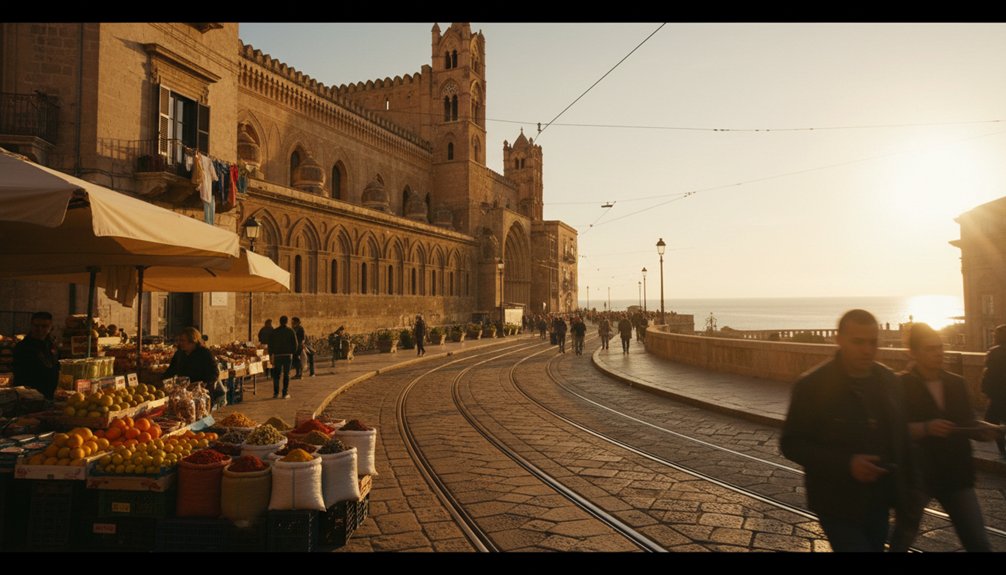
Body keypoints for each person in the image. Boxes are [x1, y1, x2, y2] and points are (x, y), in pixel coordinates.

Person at [780, 309, 917, 552]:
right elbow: (791, 443)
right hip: (835, 502)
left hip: (879, 498)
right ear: (839, 339)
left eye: (873, 342)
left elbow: (900, 438)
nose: (867, 350)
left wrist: (906, 493)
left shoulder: (889, 381)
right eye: (858, 342)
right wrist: (847, 464)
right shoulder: (812, 385)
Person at [889, 323, 993, 552]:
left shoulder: (957, 383)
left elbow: (966, 422)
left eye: (939, 347)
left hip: (956, 475)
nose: (938, 353)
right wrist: (926, 428)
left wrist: (983, 431)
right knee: (902, 539)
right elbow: (892, 430)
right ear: (913, 353)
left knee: (978, 541)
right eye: (930, 349)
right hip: (918, 477)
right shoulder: (899, 385)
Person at [164, 327, 221, 402]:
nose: (180, 343)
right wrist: (163, 382)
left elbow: (214, 372)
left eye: (183, 340)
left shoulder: (204, 353)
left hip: (201, 395)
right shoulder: (179, 354)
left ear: (193, 341)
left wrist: (204, 385)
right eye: (180, 340)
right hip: (184, 394)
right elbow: (171, 370)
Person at [12, 311, 60, 400]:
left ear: (51, 327)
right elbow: (19, 373)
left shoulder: (53, 345)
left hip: (50, 394)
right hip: (30, 396)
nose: (40, 329)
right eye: (36, 326)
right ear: (31, 326)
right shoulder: (22, 347)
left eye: (44, 326)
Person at [981, 324, 1006, 458]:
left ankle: (1002, 449)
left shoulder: (994, 352)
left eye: (995, 335)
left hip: (998, 395)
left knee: (991, 423)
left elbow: (989, 374)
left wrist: (986, 390)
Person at [268, 315, 298, 399]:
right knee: (286, 374)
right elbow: (295, 344)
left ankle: (276, 393)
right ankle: (285, 393)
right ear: (286, 322)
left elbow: (270, 344)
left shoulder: (275, 332)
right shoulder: (291, 331)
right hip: (287, 355)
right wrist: (292, 352)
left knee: (276, 375)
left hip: (277, 355)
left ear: (280, 322)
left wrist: (271, 354)